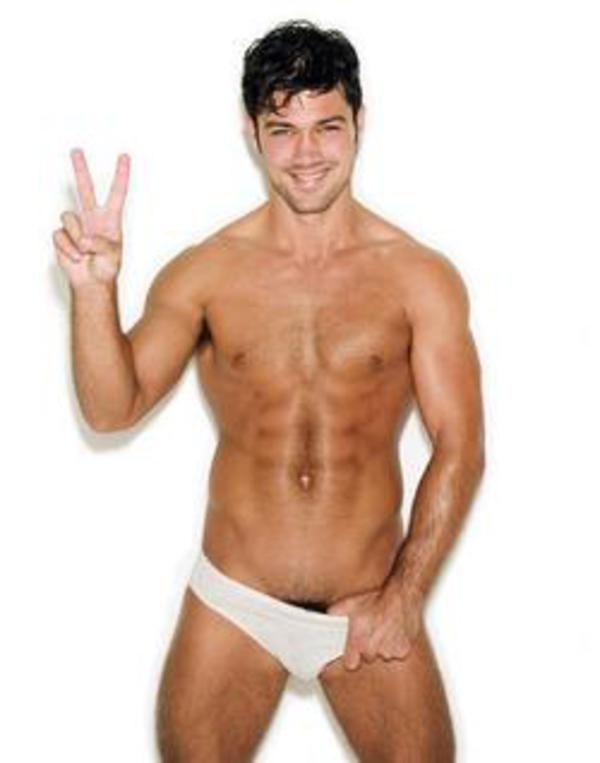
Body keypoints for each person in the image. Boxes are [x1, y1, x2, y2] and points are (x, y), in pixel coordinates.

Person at [53, 18, 485, 763]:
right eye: (283, 130)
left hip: (365, 604)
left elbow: (461, 445)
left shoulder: (420, 277)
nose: (306, 154)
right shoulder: (206, 271)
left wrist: (405, 595)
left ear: (360, 123)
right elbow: (110, 409)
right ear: (251, 132)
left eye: (327, 127)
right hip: (236, 602)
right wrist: (95, 292)